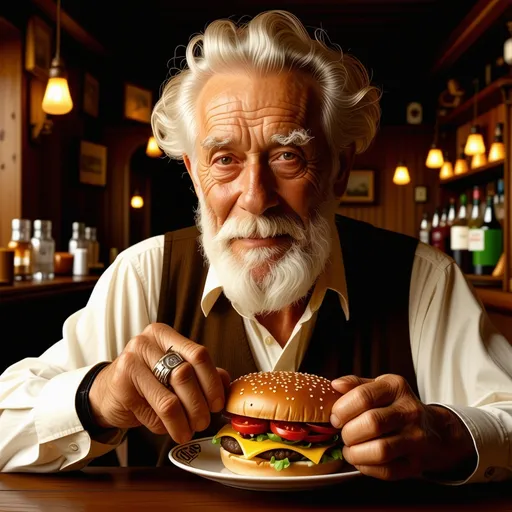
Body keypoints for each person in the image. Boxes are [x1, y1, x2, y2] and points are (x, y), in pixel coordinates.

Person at [0, 9, 511, 484]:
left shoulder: (421, 278)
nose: (256, 198)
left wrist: (448, 434)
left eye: (288, 156)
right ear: (195, 175)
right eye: (224, 159)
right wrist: (97, 397)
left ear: (338, 171)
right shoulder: (144, 274)